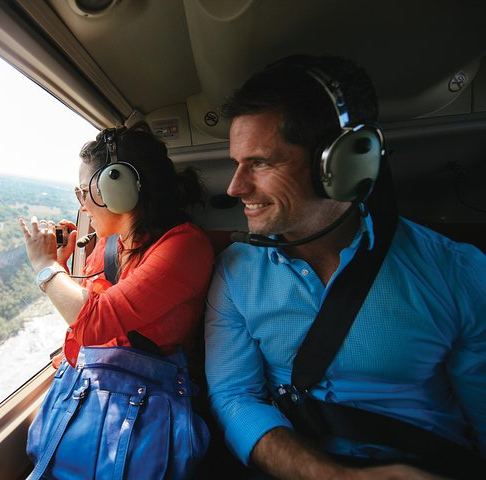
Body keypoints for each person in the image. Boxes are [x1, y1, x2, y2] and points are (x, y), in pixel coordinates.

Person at [204, 54, 486, 479]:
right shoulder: (235, 272)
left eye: (261, 163)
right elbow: (234, 397)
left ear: (341, 163)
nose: (235, 187)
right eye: (237, 163)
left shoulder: (458, 273)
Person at [19, 121, 214, 372]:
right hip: (102, 376)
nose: (82, 206)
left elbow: (93, 324)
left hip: (142, 391)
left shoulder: (185, 247)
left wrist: (44, 265)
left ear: (116, 187)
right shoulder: (111, 242)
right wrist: (58, 264)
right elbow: (84, 309)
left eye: (83, 192)